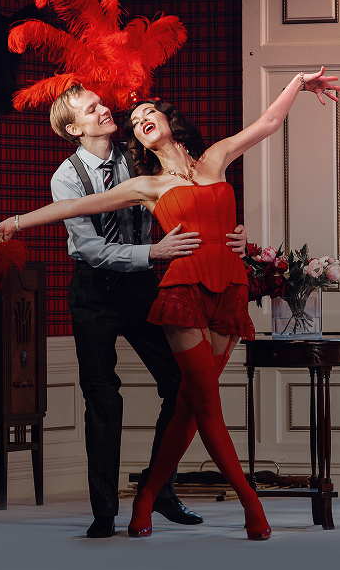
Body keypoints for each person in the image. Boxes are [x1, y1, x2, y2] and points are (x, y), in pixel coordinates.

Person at [0, 66, 340, 540]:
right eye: (132, 120)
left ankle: (151, 495)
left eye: (147, 113)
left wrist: (297, 82)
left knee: (187, 399)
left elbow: (268, 124)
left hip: (221, 290)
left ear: (169, 119)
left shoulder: (209, 157)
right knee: (170, 401)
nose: (132, 117)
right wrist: (15, 221)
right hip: (146, 290)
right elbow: (73, 213)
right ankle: (242, 504)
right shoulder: (136, 182)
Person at [38, 84, 248, 538]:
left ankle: (159, 491)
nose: (105, 109)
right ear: (74, 129)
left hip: (142, 287)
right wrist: (152, 252)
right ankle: (103, 512)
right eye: (92, 108)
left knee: (180, 386)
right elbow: (89, 248)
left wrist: (230, 233)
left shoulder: (139, 156)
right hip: (94, 291)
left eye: (101, 102)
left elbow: (194, 192)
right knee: (101, 397)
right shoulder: (65, 178)